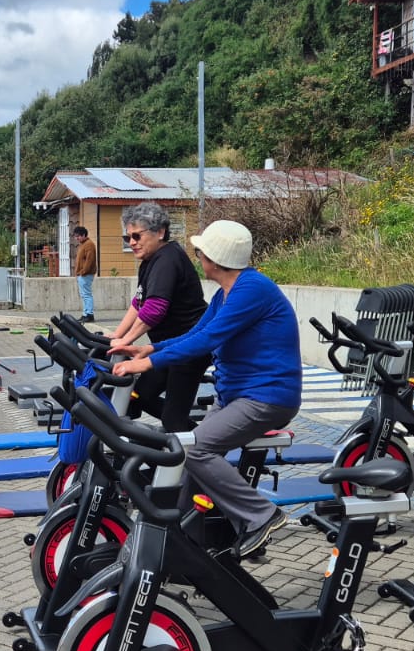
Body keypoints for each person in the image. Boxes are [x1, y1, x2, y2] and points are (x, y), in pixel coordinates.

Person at [112, 220, 302, 556]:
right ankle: (180, 539)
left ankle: (261, 516)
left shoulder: (252, 290)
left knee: (195, 449)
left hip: (267, 397)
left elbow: (209, 340)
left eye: (200, 252)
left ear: (213, 258)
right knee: (186, 457)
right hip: (235, 396)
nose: (197, 256)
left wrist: (146, 365)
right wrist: (151, 349)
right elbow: (196, 333)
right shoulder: (227, 292)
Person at [108, 201, 208, 431]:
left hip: (188, 349)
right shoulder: (149, 261)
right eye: (127, 238)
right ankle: (191, 440)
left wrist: (125, 341)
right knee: (140, 396)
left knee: (173, 420)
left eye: (136, 236)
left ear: (160, 232)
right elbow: (139, 303)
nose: (132, 242)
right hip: (166, 348)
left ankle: (206, 450)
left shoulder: (167, 259)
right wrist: (117, 335)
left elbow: (155, 309)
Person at [72, 225, 97, 322]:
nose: (76, 238)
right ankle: (85, 313)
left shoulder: (89, 245)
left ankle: (89, 314)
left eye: (78, 236)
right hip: (82, 274)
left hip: (85, 274)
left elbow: (89, 260)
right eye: (75, 236)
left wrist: (83, 272)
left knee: (86, 294)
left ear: (84, 235)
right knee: (84, 294)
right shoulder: (83, 244)